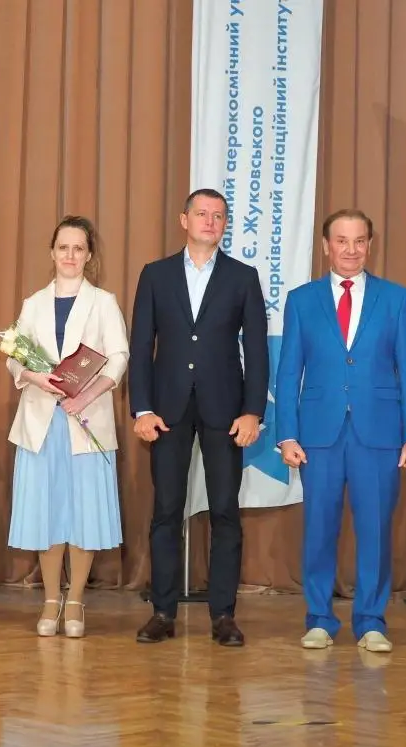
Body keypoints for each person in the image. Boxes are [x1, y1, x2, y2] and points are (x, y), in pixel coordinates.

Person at [276, 209, 406, 653]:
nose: (351, 249)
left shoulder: (395, 299)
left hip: (379, 434)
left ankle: (371, 621)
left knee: (376, 530)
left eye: (359, 241)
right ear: (326, 246)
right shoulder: (302, 300)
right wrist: (287, 434)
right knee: (319, 528)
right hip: (318, 435)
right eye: (341, 240)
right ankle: (319, 618)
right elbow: (288, 372)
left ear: (370, 245)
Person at [129, 188, 268, 646]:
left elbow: (257, 351)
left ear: (225, 225)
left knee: (225, 511)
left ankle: (223, 615)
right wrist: (142, 408)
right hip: (166, 410)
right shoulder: (156, 274)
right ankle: (162, 612)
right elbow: (140, 346)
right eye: (202, 213)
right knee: (166, 511)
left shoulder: (243, 277)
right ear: (184, 220)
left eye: (219, 216)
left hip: (225, 410)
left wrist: (252, 411)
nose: (210, 221)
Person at [6, 215, 129, 638]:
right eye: (63, 248)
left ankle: (75, 599)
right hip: (41, 420)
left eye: (78, 248)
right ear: (52, 252)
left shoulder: (104, 302)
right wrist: (33, 376)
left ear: (89, 255)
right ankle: (49, 599)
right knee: (47, 512)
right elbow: (14, 355)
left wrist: (85, 396)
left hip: (86, 419)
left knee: (83, 514)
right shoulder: (33, 303)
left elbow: (119, 357)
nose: (70, 255)